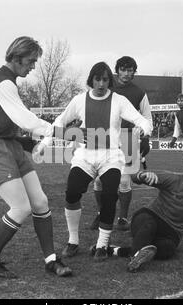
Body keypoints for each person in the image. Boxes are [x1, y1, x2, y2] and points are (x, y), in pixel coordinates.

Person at [35, 62, 152, 262]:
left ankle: (102, 244)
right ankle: (73, 241)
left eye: (105, 79)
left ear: (109, 81)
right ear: (91, 80)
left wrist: (144, 129)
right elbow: (59, 122)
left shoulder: (119, 100)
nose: (101, 84)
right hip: (85, 156)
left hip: (111, 156)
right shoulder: (79, 100)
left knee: (109, 195)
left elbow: (142, 119)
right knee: (72, 192)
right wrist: (46, 142)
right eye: (97, 79)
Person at [0, 36, 72, 279]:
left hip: (11, 145)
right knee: (20, 208)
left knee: (40, 202)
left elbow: (13, 125)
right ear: (16, 58)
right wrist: (59, 132)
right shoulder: (3, 83)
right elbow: (24, 119)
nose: (33, 66)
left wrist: (32, 143)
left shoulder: (8, 82)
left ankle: (51, 259)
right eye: (31, 61)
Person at [91, 56, 153, 231]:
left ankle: (123, 218)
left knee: (124, 182)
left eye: (130, 70)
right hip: (104, 138)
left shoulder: (139, 93)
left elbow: (147, 118)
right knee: (98, 181)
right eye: (123, 69)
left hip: (129, 139)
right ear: (117, 70)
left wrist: (146, 136)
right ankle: (101, 213)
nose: (126, 73)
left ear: (134, 71)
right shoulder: (105, 87)